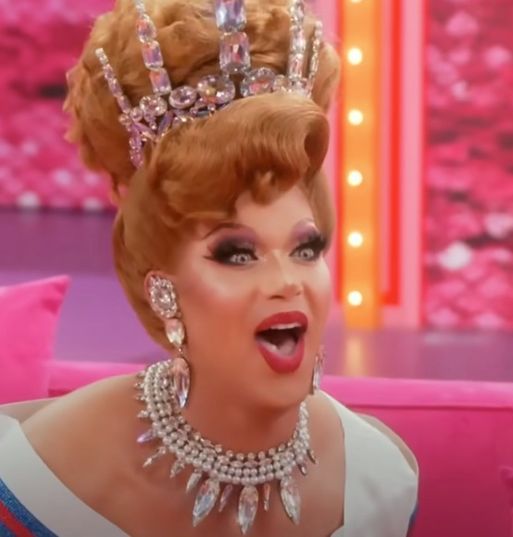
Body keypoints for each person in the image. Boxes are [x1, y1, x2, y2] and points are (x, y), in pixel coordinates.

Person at [0, 0, 418, 535]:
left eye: (306, 248)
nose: (286, 281)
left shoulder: (379, 479)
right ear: (162, 288)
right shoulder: (44, 477)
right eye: (237, 254)